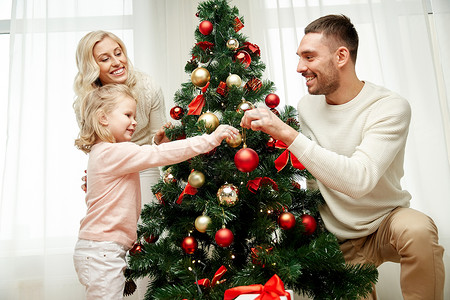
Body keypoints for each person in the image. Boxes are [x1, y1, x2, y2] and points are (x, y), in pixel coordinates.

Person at [241, 14, 445, 299]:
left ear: (341, 56)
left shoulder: (389, 107)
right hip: (337, 237)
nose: (300, 67)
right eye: (299, 57)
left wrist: (287, 135)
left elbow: (359, 180)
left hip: (385, 221)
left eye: (309, 57)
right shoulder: (307, 107)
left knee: (419, 231)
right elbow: (315, 169)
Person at [73, 83, 238, 299]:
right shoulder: (113, 152)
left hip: (100, 249)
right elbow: (159, 154)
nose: (135, 122)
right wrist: (210, 139)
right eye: (127, 114)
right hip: (102, 251)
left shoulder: (102, 153)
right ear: (103, 118)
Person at [72, 31, 166, 298]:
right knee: (113, 242)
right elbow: (95, 149)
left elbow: (162, 141)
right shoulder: (84, 103)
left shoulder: (147, 87)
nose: (116, 61)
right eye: (104, 58)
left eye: (118, 52)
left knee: (149, 240)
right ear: (93, 68)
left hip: (146, 163)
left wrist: (172, 186)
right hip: (115, 170)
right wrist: (95, 180)